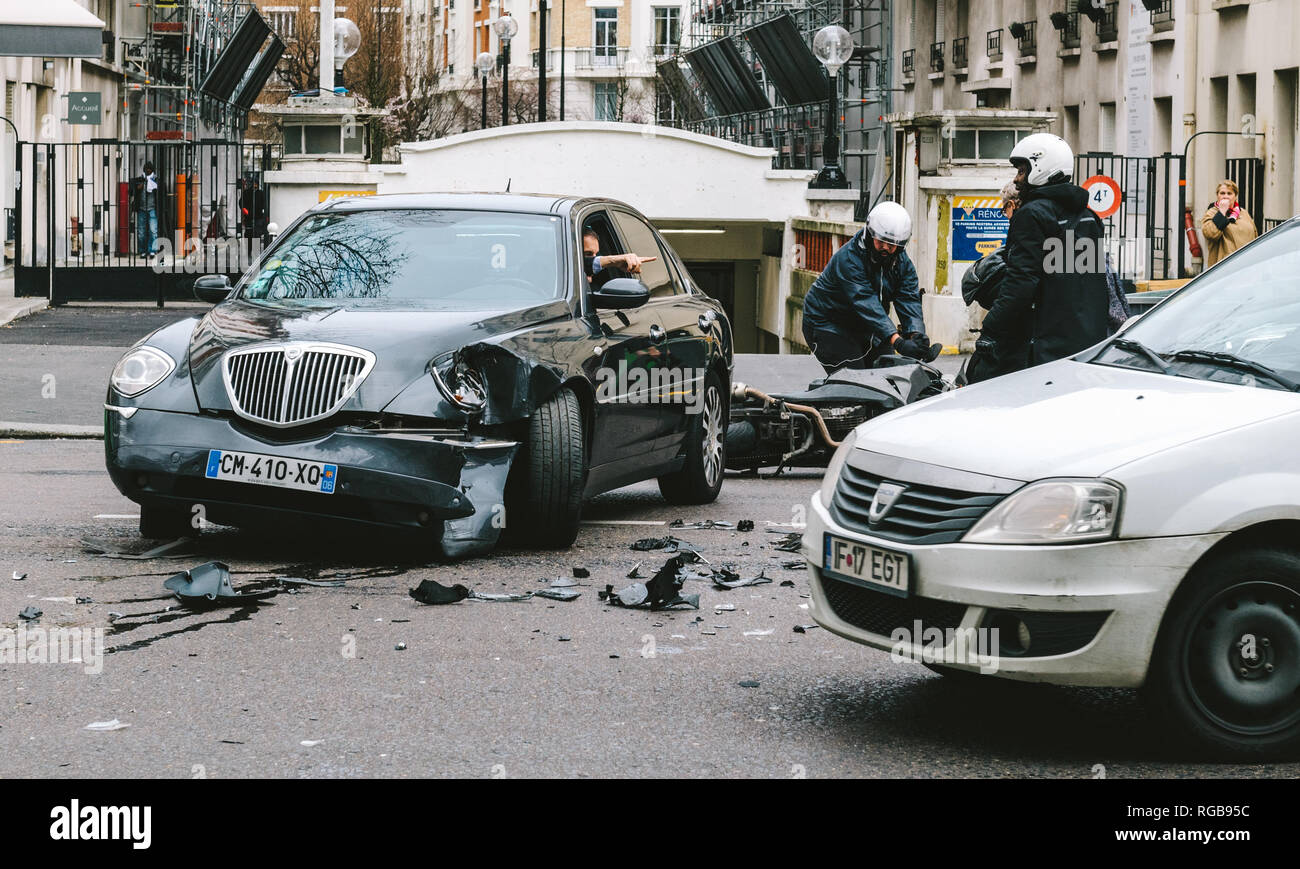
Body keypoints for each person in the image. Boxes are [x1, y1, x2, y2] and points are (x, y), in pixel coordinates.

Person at [968, 133, 1109, 383]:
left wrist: (991, 328)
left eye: (1022, 171)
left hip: (1046, 346)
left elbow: (1020, 283)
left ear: (1041, 169)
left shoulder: (1032, 215)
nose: (1017, 178)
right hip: (1089, 344)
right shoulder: (1089, 217)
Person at [801, 201, 938, 373]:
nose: (886, 249)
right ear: (869, 234)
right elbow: (865, 302)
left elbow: (908, 298)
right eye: (881, 242)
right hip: (828, 324)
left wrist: (916, 336)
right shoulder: (849, 259)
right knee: (857, 382)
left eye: (892, 245)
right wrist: (898, 341)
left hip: (868, 327)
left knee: (886, 377)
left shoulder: (902, 263)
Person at [1200, 179, 1258, 268]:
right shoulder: (1212, 213)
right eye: (1222, 193)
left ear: (1235, 196)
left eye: (1229, 193)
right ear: (1217, 196)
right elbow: (1210, 234)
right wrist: (1222, 212)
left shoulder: (1244, 213)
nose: (1225, 196)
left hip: (1246, 265)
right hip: (1225, 266)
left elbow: (1254, 236)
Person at [582, 229, 657, 290]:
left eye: (597, 254)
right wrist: (612, 260)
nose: (594, 258)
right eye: (588, 254)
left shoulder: (598, 288)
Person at [129, 161, 168, 260]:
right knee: (141, 232)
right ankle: (142, 251)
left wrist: (155, 186)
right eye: (146, 169)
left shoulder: (156, 180)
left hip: (152, 208)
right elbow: (130, 189)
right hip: (141, 208)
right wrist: (138, 188)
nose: (148, 170)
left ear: (152, 170)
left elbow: (163, 191)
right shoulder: (140, 180)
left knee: (153, 230)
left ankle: (152, 250)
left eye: (149, 169)